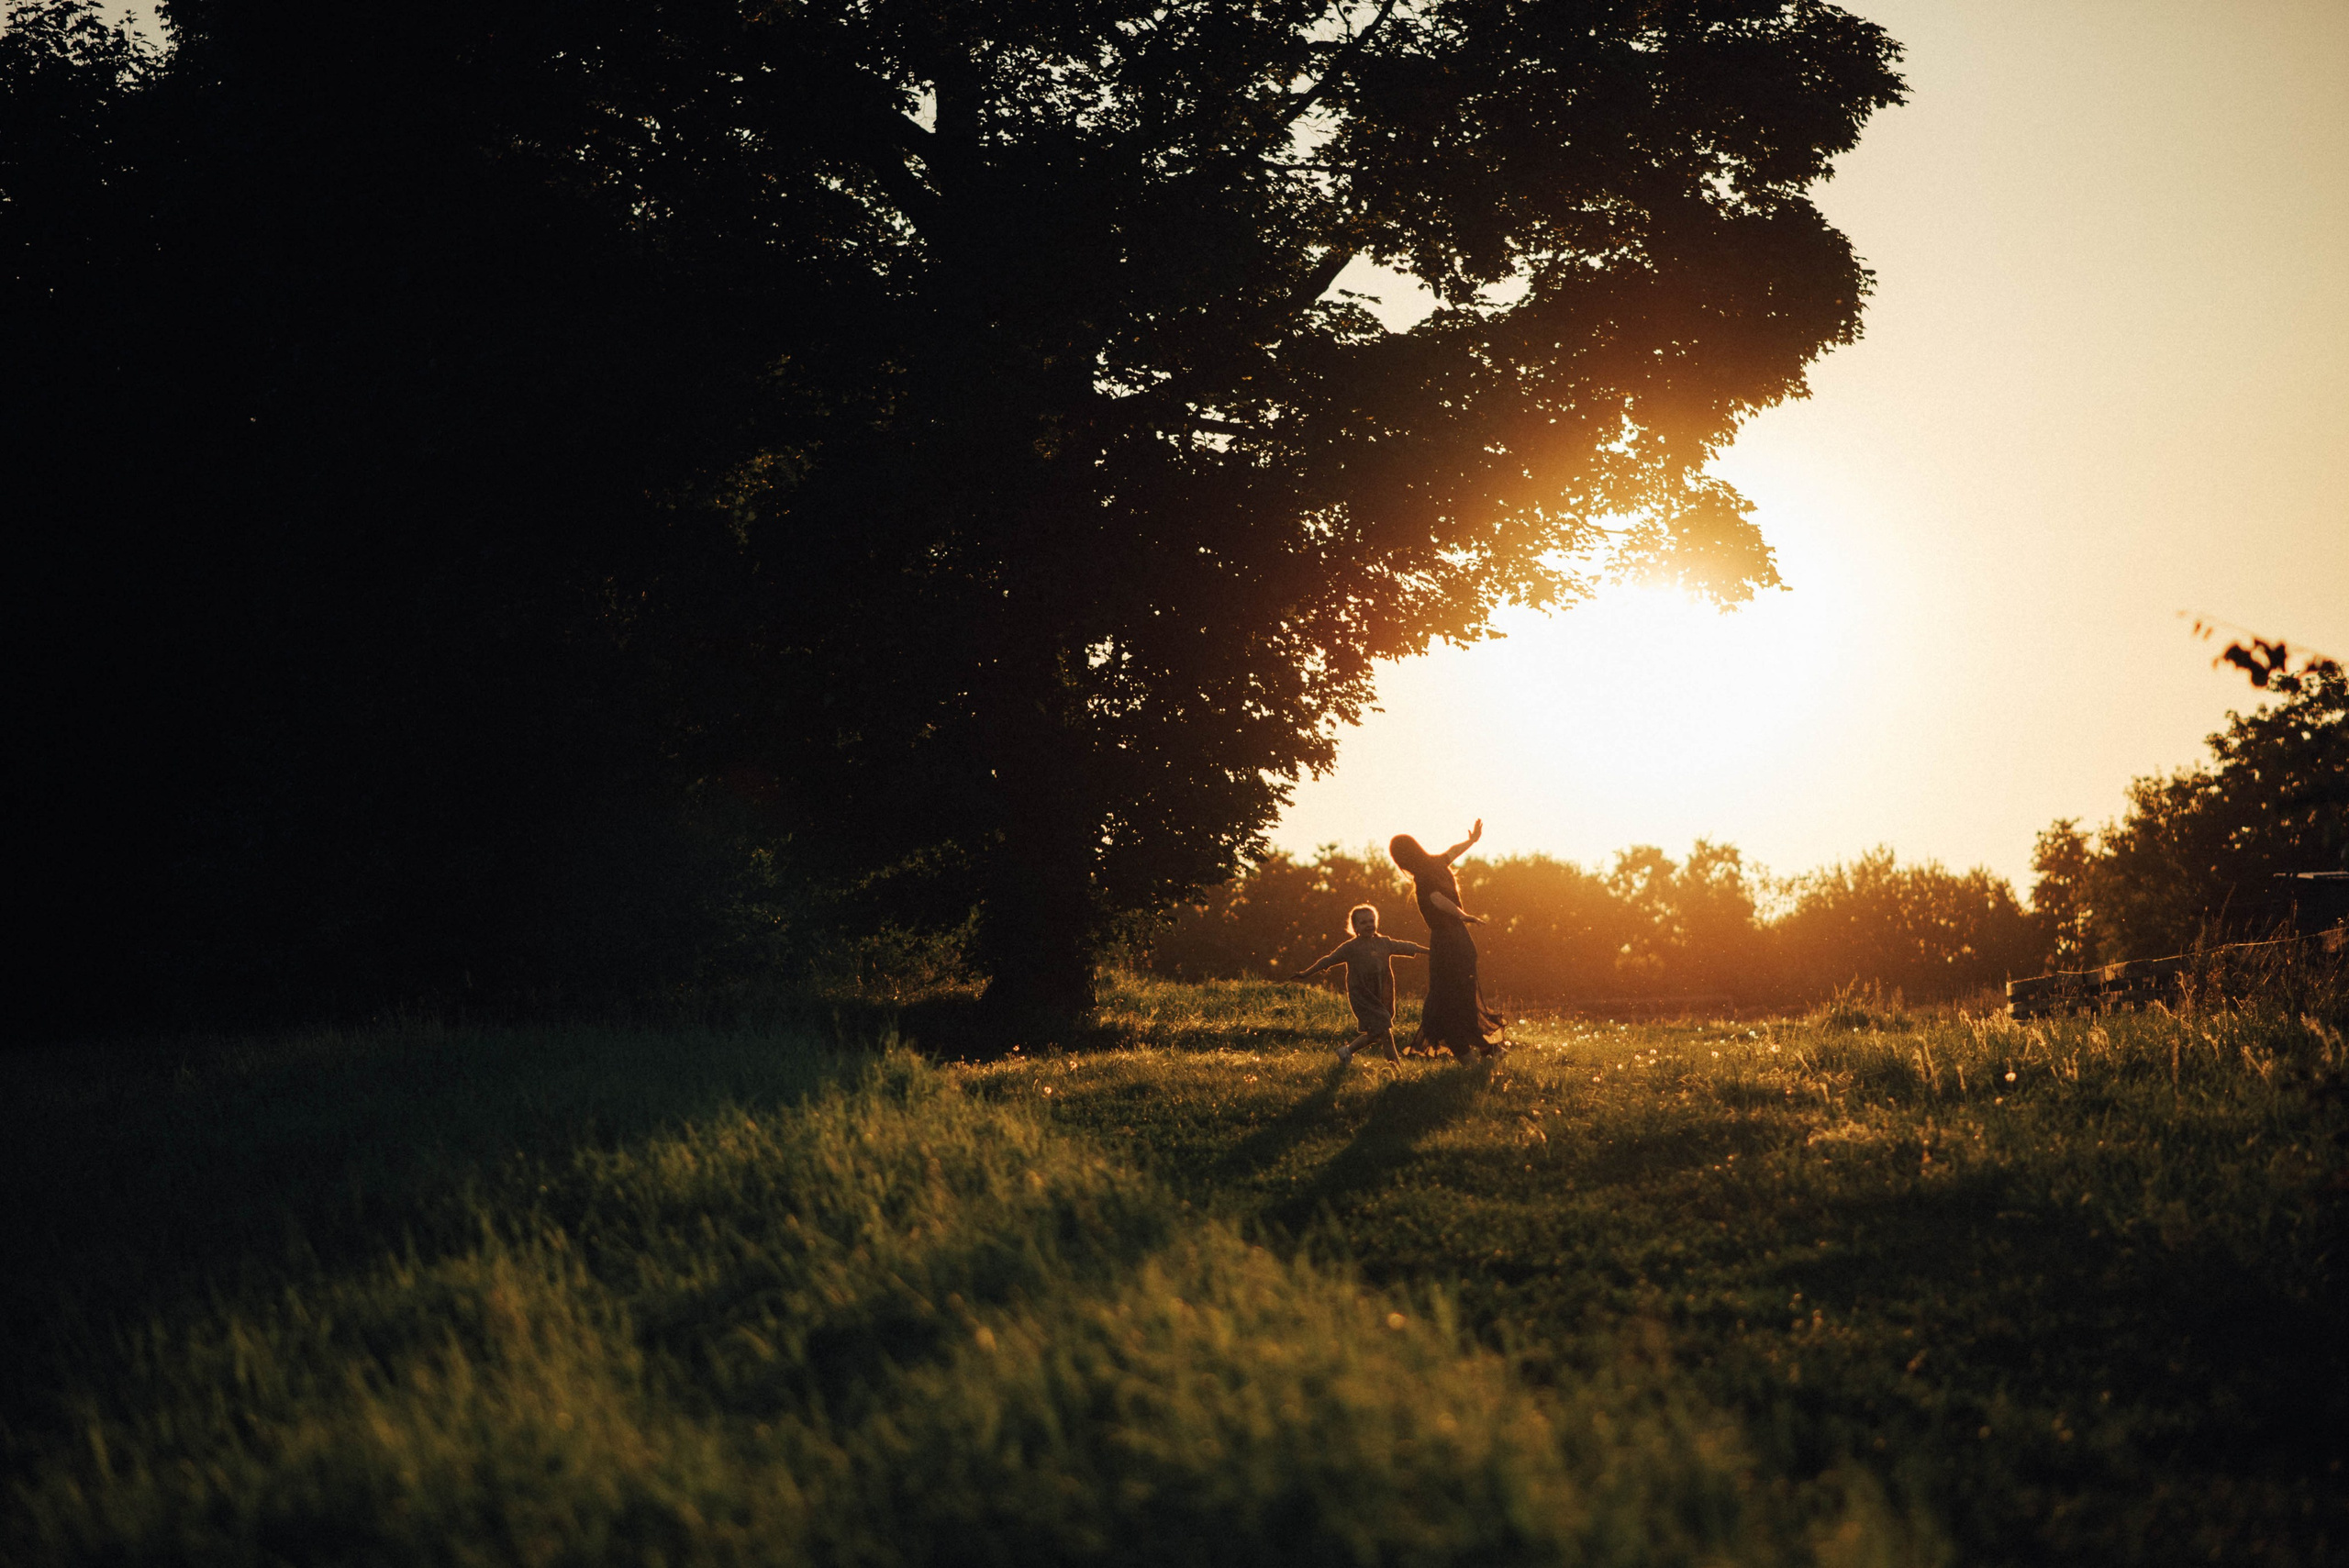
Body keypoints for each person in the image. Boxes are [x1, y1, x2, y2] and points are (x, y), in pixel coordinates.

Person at [1390, 819, 1508, 1059]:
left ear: (1401, 860)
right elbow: (1450, 860)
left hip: (1447, 941)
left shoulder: (1423, 876)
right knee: (1458, 996)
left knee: (1450, 998)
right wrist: (1472, 840)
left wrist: (1462, 914)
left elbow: (1436, 898)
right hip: (1459, 941)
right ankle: (1481, 1050)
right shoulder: (1434, 865)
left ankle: (1476, 1051)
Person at [1290, 904, 1426, 1065]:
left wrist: (1432, 951)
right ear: (1355, 927)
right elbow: (1327, 960)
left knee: (1376, 1034)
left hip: (1382, 994)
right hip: (1362, 996)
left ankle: (1346, 1051)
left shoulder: (1385, 943)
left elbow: (1408, 946)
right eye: (1363, 923)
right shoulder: (1350, 948)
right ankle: (1397, 1070)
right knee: (1385, 1032)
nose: (1369, 925)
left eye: (1371, 921)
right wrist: (1306, 973)